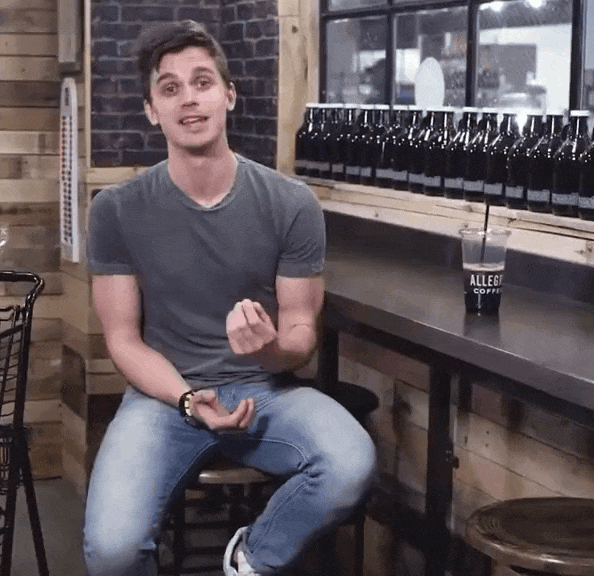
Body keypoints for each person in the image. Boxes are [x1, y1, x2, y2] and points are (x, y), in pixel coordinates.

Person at [83, 19, 376, 576]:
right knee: (112, 552)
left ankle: (250, 558)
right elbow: (122, 340)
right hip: (163, 398)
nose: (189, 99)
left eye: (202, 82)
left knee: (350, 463)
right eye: (170, 88)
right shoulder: (116, 210)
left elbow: (301, 333)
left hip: (265, 393)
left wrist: (269, 351)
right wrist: (187, 398)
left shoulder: (292, 203)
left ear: (228, 95)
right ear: (152, 110)